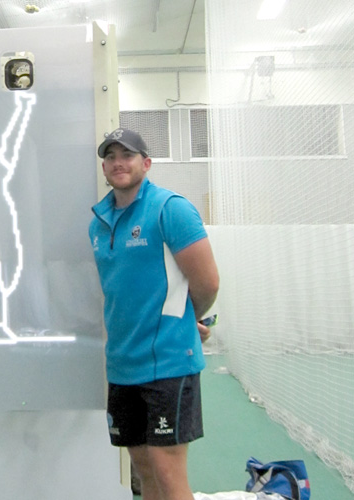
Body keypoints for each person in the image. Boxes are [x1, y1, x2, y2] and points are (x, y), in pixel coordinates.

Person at [89, 128, 219, 500]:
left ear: (146, 163)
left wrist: (185, 321)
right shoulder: (98, 222)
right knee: (143, 468)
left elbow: (207, 282)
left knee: (166, 470)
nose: (118, 163)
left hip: (168, 362)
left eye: (127, 155)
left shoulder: (170, 209)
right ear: (104, 167)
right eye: (111, 157)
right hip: (122, 364)